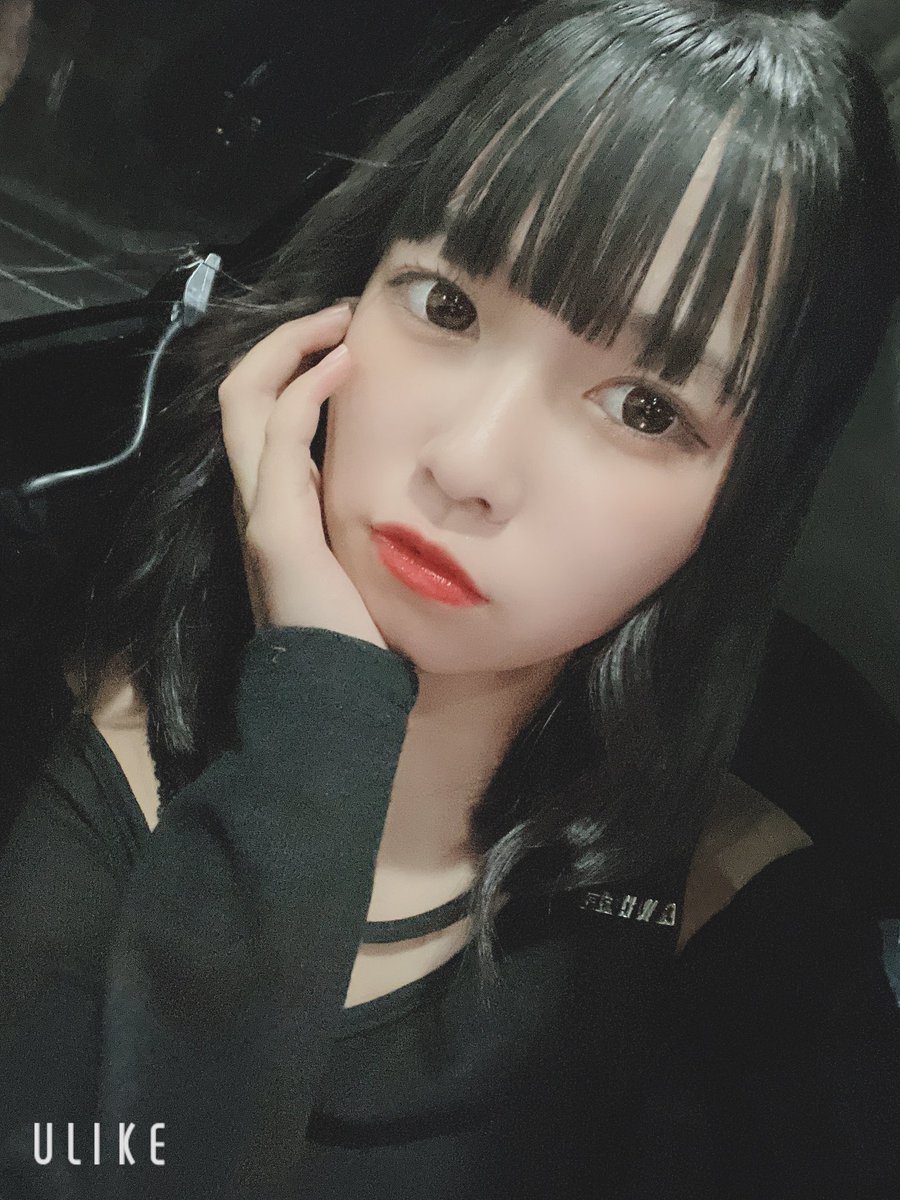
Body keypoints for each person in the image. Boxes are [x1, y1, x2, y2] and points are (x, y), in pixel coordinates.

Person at [1, 1, 899, 1197]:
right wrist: (320, 708)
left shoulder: (738, 941)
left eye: (646, 409)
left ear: (743, 505)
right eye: (447, 305)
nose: (470, 466)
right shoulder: (53, 681)